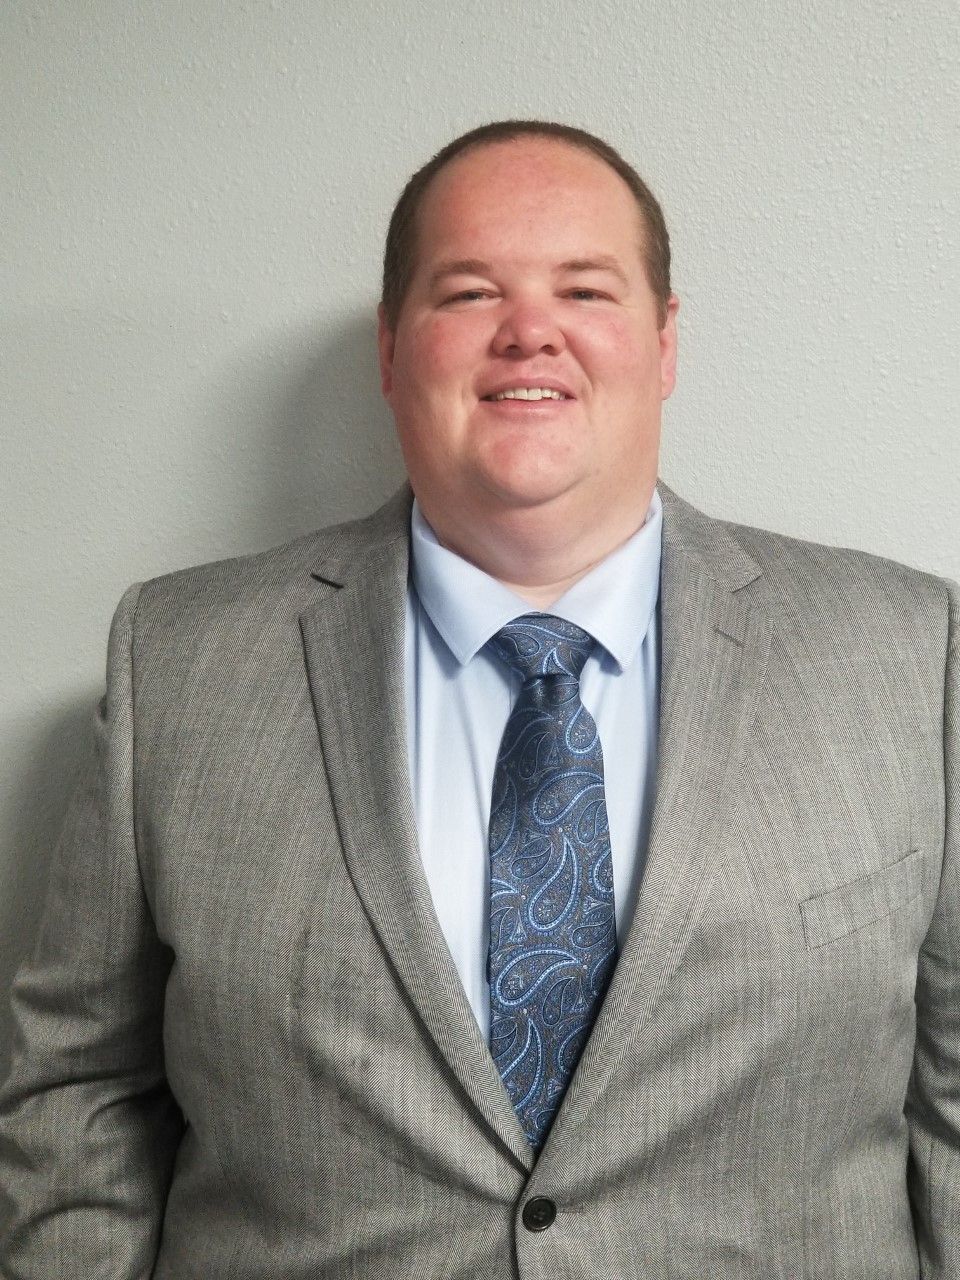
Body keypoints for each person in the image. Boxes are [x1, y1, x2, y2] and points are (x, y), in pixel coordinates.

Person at [0, 119, 957, 1279]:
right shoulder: (182, 662)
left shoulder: (906, 650)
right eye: (468, 291)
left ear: (664, 344)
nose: (529, 331)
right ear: (393, 348)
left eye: (585, 288)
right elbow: (79, 1092)